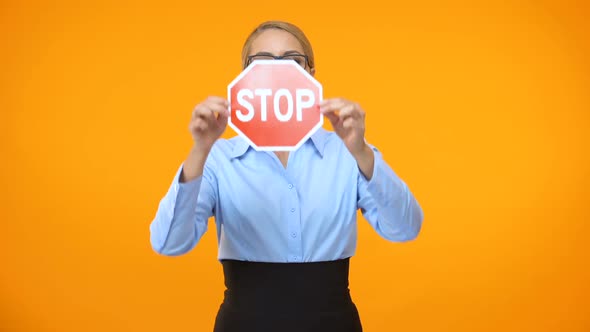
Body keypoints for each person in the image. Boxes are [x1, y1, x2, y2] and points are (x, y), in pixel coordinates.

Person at [150, 20, 424, 332]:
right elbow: (170, 243)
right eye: (263, 61)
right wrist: (199, 150)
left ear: (310, 74)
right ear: (244, 76)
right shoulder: (218, 159)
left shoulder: (348, 153)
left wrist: (361, 150)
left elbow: (405, 228)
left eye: (292, 60)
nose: (278, 71)